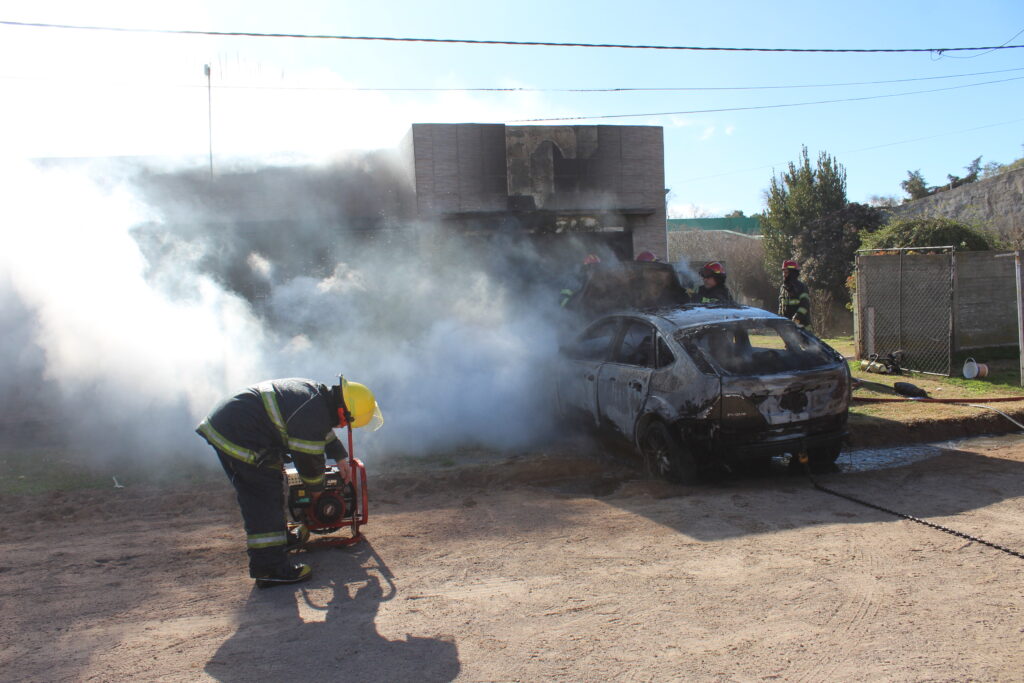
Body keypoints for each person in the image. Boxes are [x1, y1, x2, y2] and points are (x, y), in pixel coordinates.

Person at [196, 377, 382, 587]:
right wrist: (318, 492)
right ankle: (270, 569)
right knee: (263, 495)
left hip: (233, 424)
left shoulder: (315, 396)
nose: (342, 426)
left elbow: (319, 429)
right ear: (343, 411)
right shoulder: (313, 412)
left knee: (268, 490)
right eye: (345, 422)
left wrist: (340, 456)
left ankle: (281, 539)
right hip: (239, 434)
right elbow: (309, 464)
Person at [779, 259, 811, 328]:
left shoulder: (802, 288)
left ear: (793, 273)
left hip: (802, 327)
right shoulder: (783, 288)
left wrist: (796, 319)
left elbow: (804, 306)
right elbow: (781, 307)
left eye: (786, 272)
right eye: (783, 272)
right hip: (788, 328)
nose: (784, 275)